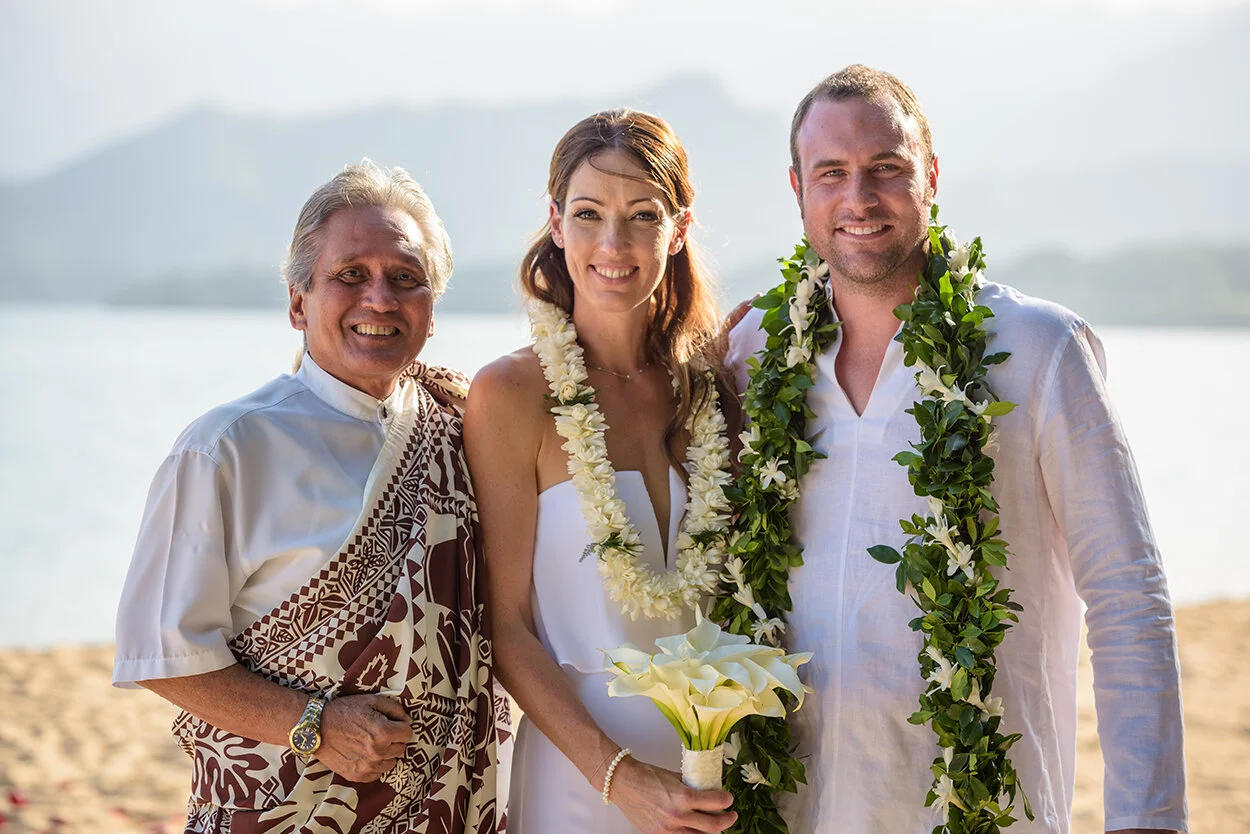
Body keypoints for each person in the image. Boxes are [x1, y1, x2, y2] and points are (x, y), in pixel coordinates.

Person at [726, 65, 1188, 833]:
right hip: (793, 810)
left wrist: (1149, 820)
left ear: (931, 176)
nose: (859, 199)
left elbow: (1127, 594)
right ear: (797, 188)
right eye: (831, 173)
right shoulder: (755, 355)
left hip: (987, 812)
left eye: (887, 169)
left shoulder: (1037, 350)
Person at [113, 161, 506, 834]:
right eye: (350, 275)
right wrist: (315, 727)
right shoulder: (226, 447)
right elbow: (163, 655)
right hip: (278, 813)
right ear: (298, 303)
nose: (379, 298)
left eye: (405, 279)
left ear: (431, 311)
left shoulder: (463, 432)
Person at [463, 109, 739, 834]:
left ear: (678, 230)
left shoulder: (710, 393)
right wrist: (619, 780)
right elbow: (508, 625)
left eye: (641, 216)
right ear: (555, 224)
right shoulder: (511, 395)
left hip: (716, 778)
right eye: (588, 214)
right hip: (580, 778)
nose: (613, 244)